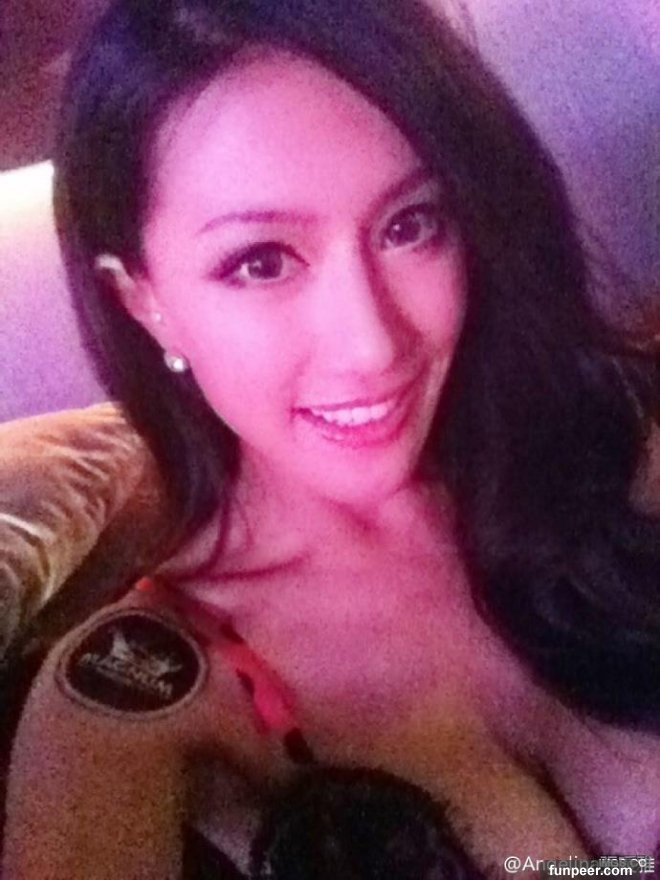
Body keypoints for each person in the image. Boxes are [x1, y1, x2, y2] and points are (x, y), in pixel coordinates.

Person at [3, 0, 660, 876]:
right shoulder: (133, 702)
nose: (373, 344)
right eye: (261, 261)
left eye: (410, 225)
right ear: (143, 299)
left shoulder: (612, 449)